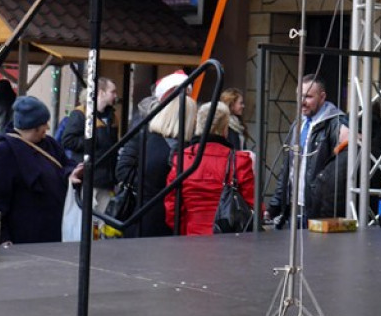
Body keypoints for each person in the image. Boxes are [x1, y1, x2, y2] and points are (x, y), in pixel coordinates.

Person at [0, 96, 78, 244]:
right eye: (44, 123)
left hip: (54, 234)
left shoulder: (49, 144)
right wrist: (3, 238)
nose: (47, 128)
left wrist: (71, 174)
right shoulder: (3, 152)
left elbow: (66, 164)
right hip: (24, 239)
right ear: (34, 126)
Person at [114, 74, 196, 238]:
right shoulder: (146, 134)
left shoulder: (184, 143)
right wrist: (148, 186)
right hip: (153, 213)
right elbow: (123, 169)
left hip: (151, 215)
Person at [266, 75, 350, 227]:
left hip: (319, 212)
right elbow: (287, 169)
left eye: (308, 97)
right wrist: (274, 206)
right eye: (299, 96)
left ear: (322, 97)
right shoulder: (299, 124)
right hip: (292, 208)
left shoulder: (336, 123)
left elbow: (344, 170)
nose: (302, 102)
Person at [165, 102, 254, 236]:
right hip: (230, 241)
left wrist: (185, 232)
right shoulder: (239, 160)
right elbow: (252, 204)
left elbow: (172, 208)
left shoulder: (182, 159)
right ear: (225, 129)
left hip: (192, 237)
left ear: (199, 125)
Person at [60, 77, 119, 215]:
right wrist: (91, 141)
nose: (115, 95)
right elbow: (68, 140)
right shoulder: (80, 114)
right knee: (86, 219)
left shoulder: (112, 116)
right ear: (101, 92)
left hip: (106, 179)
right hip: (89, 178)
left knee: (102, 220)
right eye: (112, 91)